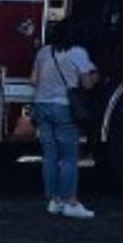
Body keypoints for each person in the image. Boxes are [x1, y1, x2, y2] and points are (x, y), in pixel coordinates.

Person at [29, 21, 99, 220]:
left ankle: (53, 201)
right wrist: (95, 77)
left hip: (41, 104)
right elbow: (86, 84)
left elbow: (34, 80)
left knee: (50, 156)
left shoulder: (44, 52)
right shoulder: (78, 52)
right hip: (63, 107)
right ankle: (70, 201)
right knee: (69, 157)